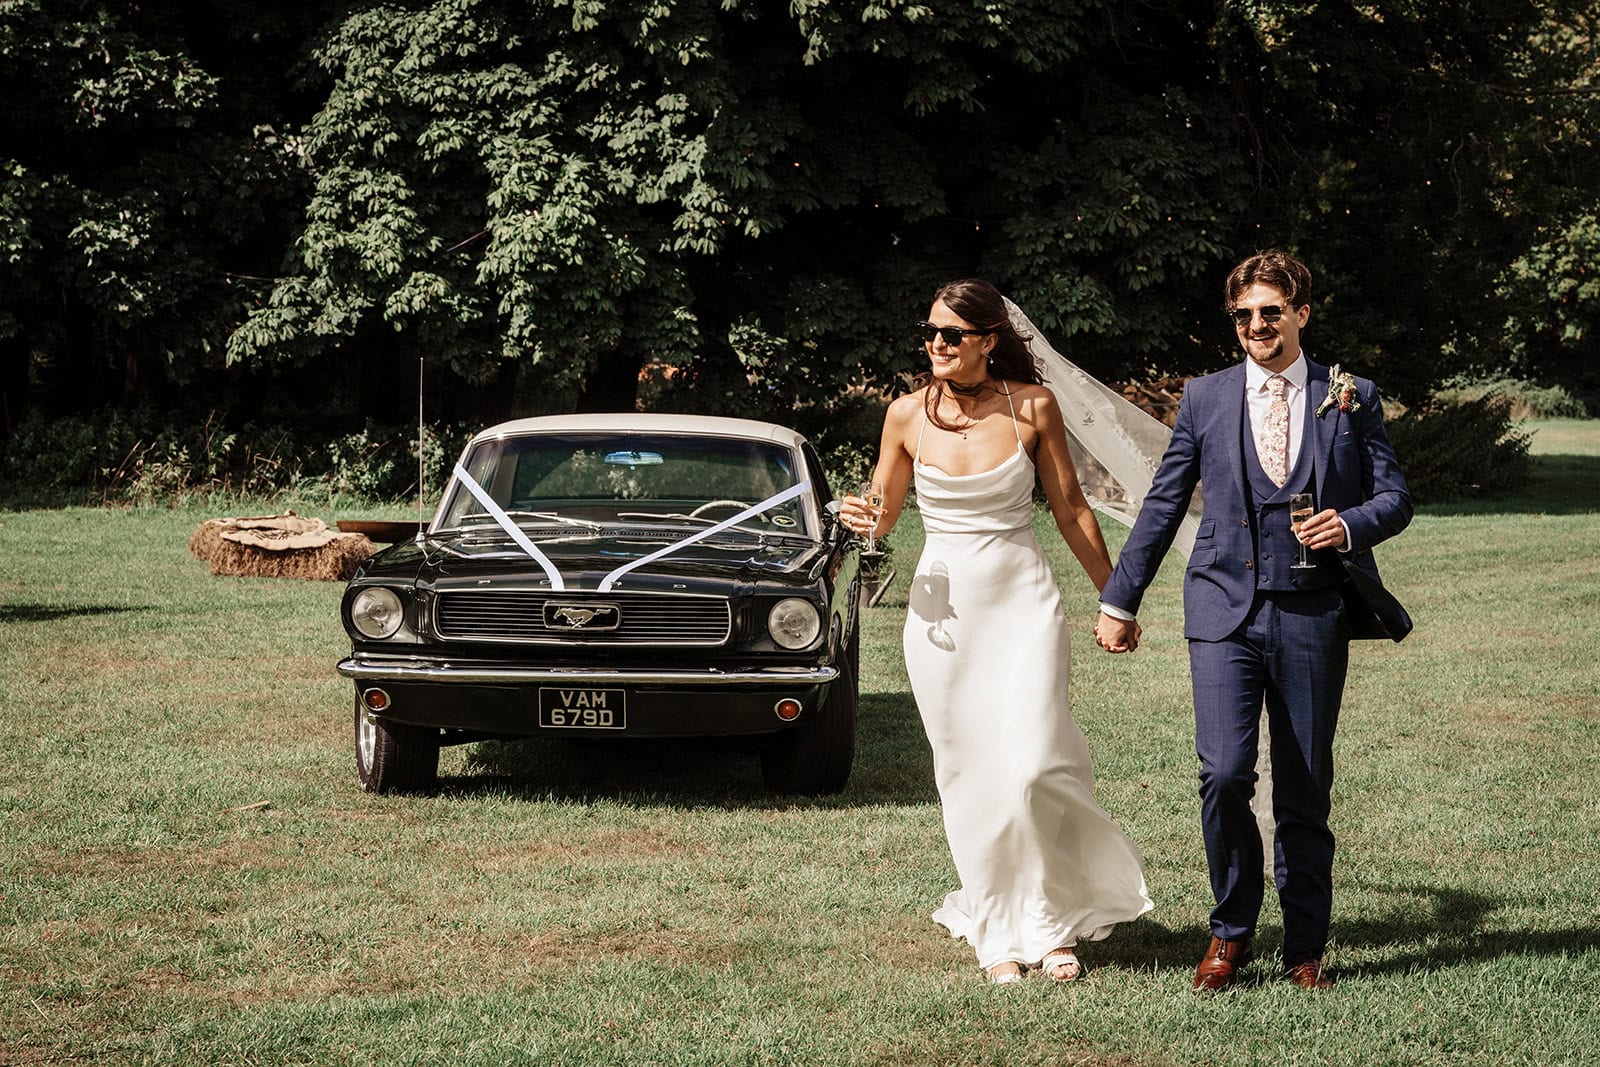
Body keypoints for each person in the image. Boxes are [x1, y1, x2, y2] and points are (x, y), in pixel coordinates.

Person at [1095, 249, 1413, 991]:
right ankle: (1230, 932)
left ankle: (1303, 948)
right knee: (1225, 772)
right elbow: (1165, 501)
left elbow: (1395, 497)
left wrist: (1351, 523)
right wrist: (1120, 597)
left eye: (1271, 311)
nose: (1256, 325)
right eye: (1243, 314)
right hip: (1222, 612)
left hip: (1312, 612)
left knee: (1304, 783)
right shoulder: (1204, 397)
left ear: (1302, 313)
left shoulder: (1351, 395)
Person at [840, 279, 1153, 986]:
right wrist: (864, 516)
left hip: (1023, 604)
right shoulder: (903, 416)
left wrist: (1117, 596)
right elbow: (884, 516)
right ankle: (997, 927)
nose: (938, 345)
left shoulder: (1031, 406)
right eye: (930, 332)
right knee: (969, 775)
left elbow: (1071, 508)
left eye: (953, 334)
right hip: (943, 619)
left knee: (1035, 762)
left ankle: (1049, 919)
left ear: (988, 340)